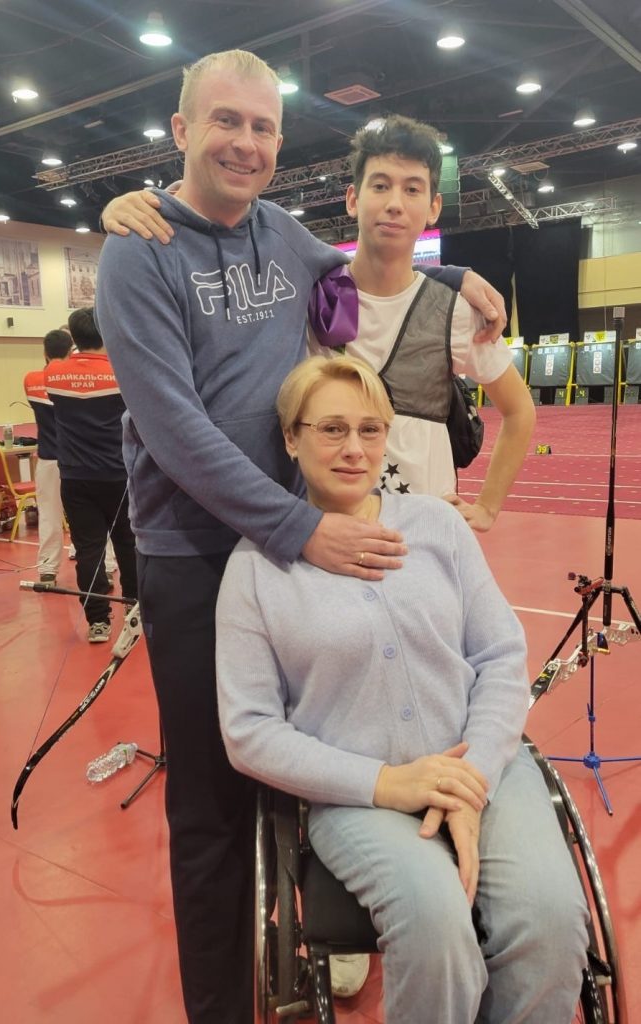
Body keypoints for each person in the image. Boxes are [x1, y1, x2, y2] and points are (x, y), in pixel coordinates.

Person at [95, 48, 510, 1023]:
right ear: (182, 130)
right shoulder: (139, 251)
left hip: (292, 550)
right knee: (212, 809)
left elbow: (365, 270)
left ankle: (344, 924)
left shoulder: (280, 233)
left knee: (318, 752)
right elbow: (174, 428)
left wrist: (456, 274)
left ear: (279, 141)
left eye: (263, 127)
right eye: (225, 121)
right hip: (200, 558)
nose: (245, 142)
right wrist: (301, 529)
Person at [216, 353, 589, 1024]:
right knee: (434, 929)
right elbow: (249, 732)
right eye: (331, 429)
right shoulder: (255, 569)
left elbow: (501, 654)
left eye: (371, 429)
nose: (354, 449)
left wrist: (472, 781)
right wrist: (388, 783)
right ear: (292, 439)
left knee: (551, 921)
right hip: (360, 796)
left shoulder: (438, 527)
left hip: (484, 767)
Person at [308, 114, 536, 532]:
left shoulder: (456, 310)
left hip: (425, 538)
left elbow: (520, 410)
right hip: (334, 534)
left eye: (412, 189)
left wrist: (487, 507)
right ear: (353, 198)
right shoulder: (314, 299)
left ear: (433, 207)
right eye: (380, 186)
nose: (395, 203)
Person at [44, 307, 137, 642]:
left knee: (88, 549)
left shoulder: (53, 373)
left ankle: (98, 622)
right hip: (118, 474)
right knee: (128, 544)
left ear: (74, 337)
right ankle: (134, 608)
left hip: (75, 476)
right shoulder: (121, 372)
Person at [23, 328, 72, 585]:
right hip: (78, 459)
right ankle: (105, 566)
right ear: (70, 351)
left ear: (45, 352)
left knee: (49, 515)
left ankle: (48, 570)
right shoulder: (76, 382)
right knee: (94, 515)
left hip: (48, 459)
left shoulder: (31, 380)